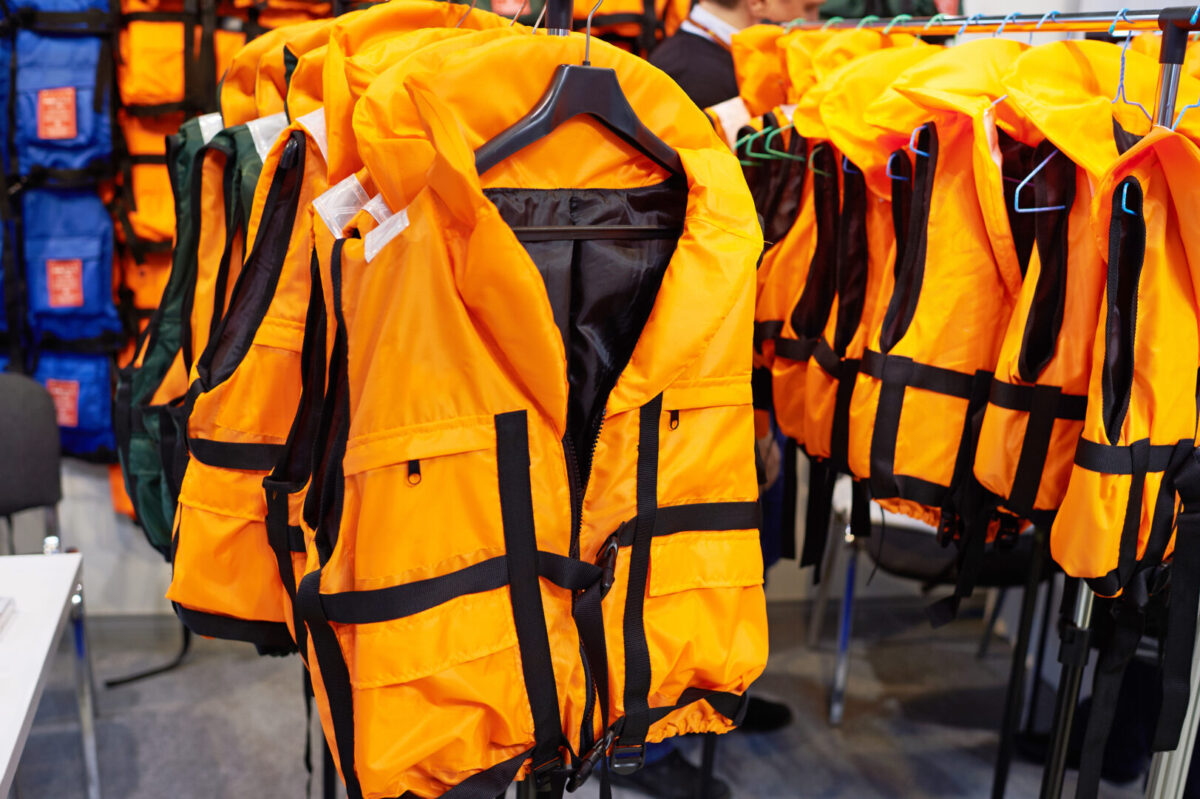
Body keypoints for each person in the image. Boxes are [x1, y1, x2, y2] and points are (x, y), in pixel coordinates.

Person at [649, 0, 824, 110]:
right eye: (809, 10)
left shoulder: (688, 57)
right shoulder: (696, 79)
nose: (815, 25)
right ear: (758, 3)